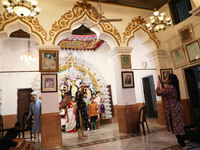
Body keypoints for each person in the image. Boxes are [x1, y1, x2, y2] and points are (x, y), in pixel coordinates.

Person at [156, 74, 186, 149]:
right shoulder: (173, 87)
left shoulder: (170, 87)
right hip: (176, 108)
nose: (165, 78)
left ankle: (182, 144)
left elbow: (159, 92)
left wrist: (158, 85)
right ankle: (180, 143)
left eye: (166, 77)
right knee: (177, 127)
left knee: (178, 127)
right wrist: (163, 84)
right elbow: (165, 92)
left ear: (170, 80)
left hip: (173, 109)